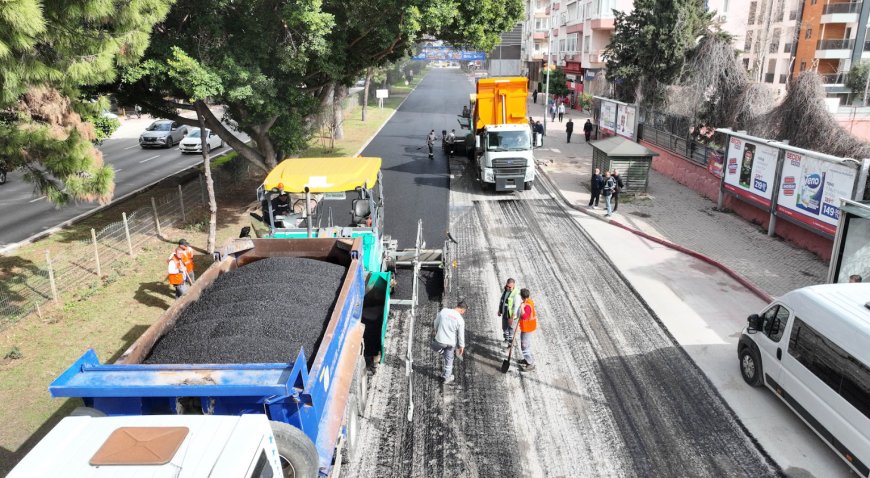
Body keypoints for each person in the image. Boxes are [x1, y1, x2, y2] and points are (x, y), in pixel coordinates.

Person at [432, 300, 467, 384]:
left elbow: (436, 323)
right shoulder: (460, 320)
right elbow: (460, 335)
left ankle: (442, 352)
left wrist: (436, 330)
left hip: (440, 340)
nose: (463, 313)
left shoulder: (444, 311)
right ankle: (446, 377)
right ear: (462, 310)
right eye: (464, 311)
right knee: (449, 360)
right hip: (451, 343)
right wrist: (462, 346)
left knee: (433, 345)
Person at [517, 288, 538, 372]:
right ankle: (527, 359)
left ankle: (530, 363)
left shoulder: (527, 305)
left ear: (522, 296)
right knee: (527, 345)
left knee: (524, 346)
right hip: (528, 327)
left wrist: (522, 308)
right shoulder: (529, 301)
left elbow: (525, 317)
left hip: (527, 328)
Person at [497, 279, 520, 346]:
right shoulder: (506, 290)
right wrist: (500, 310)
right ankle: (506, 340)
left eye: (510, 287)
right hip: (505, 313)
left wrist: (512, 317)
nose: (508, 288)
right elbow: (502, 301)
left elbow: (516, 307)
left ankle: (510, 343)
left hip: (511, 315)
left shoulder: (516, 294)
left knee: (511, 329)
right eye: (507, 286)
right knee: (504, 327)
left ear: (514, 286)